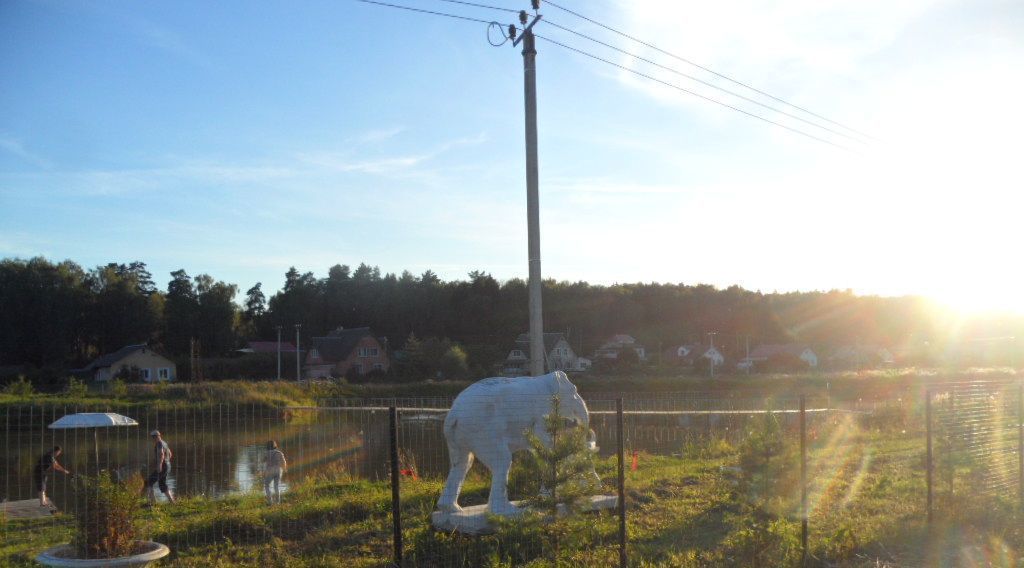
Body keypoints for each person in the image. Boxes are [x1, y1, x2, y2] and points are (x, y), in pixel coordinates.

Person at [142, 430, 175, 504]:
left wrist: (160, 464)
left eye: (154, 437)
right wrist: (165, 462)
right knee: (162, 483)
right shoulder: (164, 443)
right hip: (167, 465)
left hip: (162, 466)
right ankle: (172, 502)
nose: (153, 439)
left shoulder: (159, 443)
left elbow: (161, 454)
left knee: (148, 482)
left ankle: (152, 502)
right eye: (153, 437)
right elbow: (170, 454)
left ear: (157, 436)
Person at [263, 440, 287, 505]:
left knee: (267, 485)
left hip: (270, 470)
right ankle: (277, 502)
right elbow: (284, 462)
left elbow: (263, 462)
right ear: (275, 445)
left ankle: (270, 502)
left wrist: (263, 471)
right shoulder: (280, 453)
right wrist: (284, 469)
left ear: (268, 446)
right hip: (278, 470)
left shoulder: (266, 453)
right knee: (276, 486)